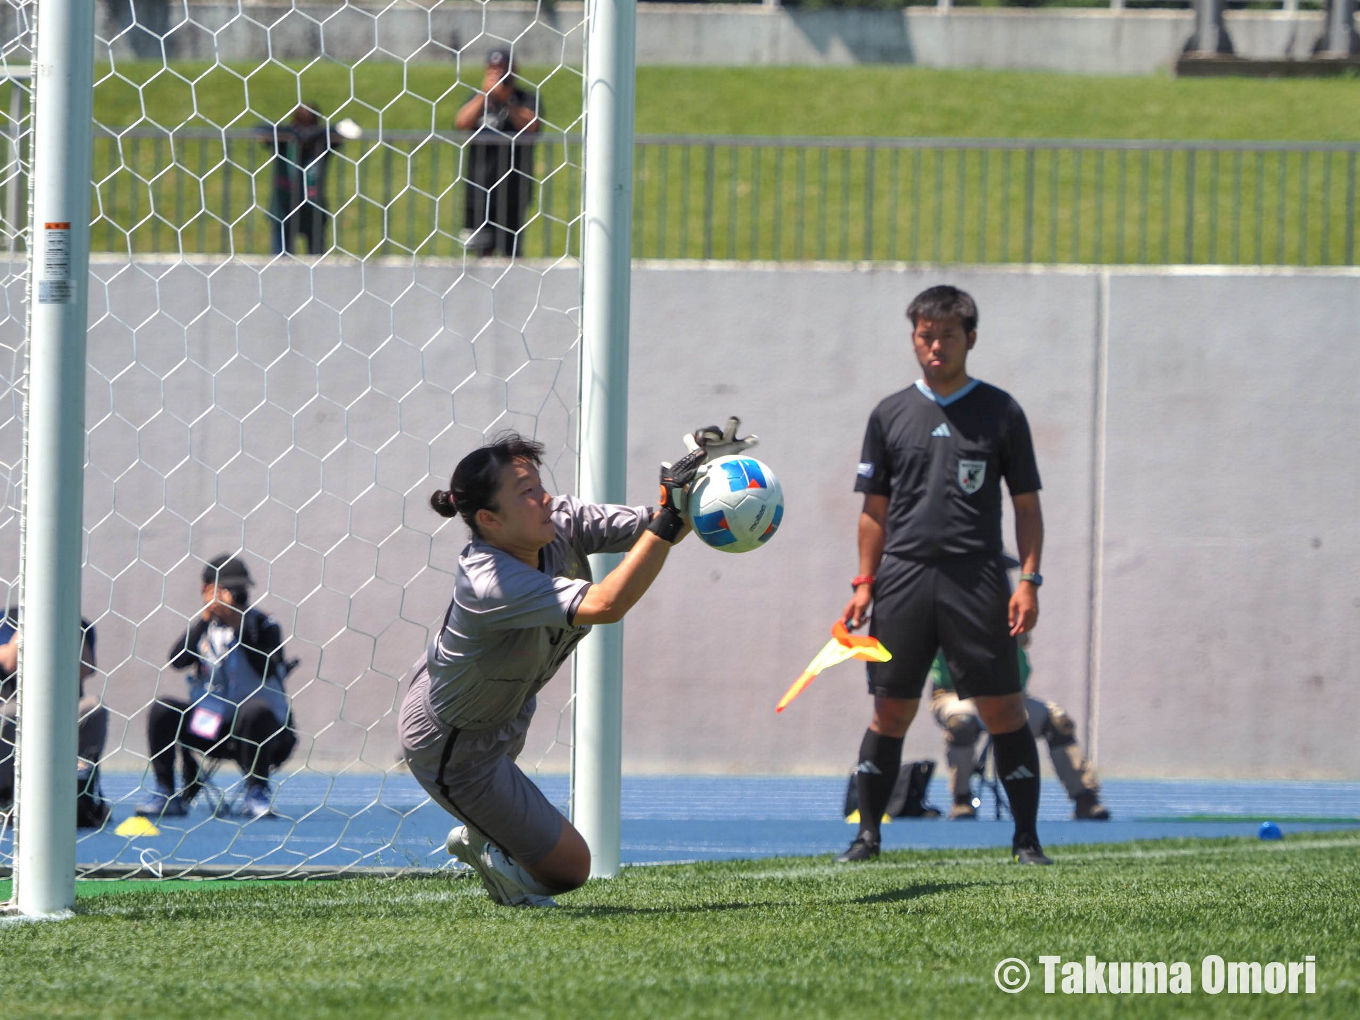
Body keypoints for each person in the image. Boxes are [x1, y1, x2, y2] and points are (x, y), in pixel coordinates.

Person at [399, 423, 753, 907]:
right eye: (526, 493)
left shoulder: (559, 521)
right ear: (490, 519)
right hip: (454, 743)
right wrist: (671, 518)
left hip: (501, 709)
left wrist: (709, 485)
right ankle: (490, 847)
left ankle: (487, 834)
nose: (545, 499)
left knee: (545, 849)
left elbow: (657, 524)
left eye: (540, 485)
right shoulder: (489, 581)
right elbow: (607, 603)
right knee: (570, 871)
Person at [838, 284, 1052, 865]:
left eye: (947, 337)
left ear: (970, 340)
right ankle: (868, 836)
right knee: (890, 711)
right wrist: (863, 584)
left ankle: (1026, 840)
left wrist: (1028, 581)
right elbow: (872, 514)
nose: (935, 347)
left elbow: (1027, 506)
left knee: (1003, 709)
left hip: (977, 579)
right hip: (903, 580)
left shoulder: (1001, 411)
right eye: (925, 336)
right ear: (914, 338)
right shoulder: (889, 413)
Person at [137, 555, 298, 820]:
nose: (237, 597)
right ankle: (165, 792)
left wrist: (240, 626)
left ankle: (257, 793)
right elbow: (177, 660)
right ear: (206, 590)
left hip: (261, 733)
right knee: (163, 709)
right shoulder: (205, 629)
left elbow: (265, 668)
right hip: (212, 728)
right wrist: (204, 619)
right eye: (229, 591)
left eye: (241, 591)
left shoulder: (264, 625)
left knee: (255, 710)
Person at [930, 637, 1109, 821]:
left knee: (1058, 723)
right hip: (957, 695)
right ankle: (962, 798)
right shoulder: (948, 610)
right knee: (961, 723)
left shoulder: (1008, 610)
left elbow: (1023, 636)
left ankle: (1085, 797)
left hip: (1010, 697)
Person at [0, 608, 108, 827]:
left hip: (63, 707)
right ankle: (8, 798)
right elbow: (8, 664)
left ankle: (79, 793)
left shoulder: (78, 622)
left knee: (93, 708)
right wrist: (33, 618)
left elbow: (83, 670)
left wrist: (68, 620)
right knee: (9, 715)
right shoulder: (6, 620)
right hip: (14, 704)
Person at [454, 49, 541, 257]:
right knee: (479, 253)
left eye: (503, 68)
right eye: (494, 69)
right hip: (479, 190)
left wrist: (508, 100)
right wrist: (484, 95)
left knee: (511, 253)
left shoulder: (525, 97)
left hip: (513, 190)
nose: (499, 73)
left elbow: (532, 126)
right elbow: (461, 123)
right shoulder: (478, 99)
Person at [261, 102, 341, 255]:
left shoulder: (323, 143)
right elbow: (260, 129)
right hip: (284, 209)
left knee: (317, 262)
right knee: (281, 260)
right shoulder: (283, 142)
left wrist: (315, 135)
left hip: (313, 211)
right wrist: (292, 134)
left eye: (309, 127)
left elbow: (348, 130)